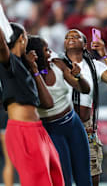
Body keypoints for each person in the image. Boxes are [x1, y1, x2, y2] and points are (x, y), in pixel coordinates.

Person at [0, 0, 64, 186]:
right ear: (22, 38)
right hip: (22, 130)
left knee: (56, 179)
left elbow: (46, 103)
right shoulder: (7, 63)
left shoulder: (24, 65)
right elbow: (0, 48)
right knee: (37, 182)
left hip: (38, 130)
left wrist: (34, 69)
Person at [26, 35, 93, 186]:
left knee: (84, 179)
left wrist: (79, 76)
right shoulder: (30, 78)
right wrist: (35, 72)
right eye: (45, 50)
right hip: (52, 130)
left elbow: (84, 89)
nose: (50, 52)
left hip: (73, 124)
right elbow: (46, 103)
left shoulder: (58, 64)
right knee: (63, 181)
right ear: (35, 54)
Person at [64, 29, 107, 186]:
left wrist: (105, 55)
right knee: (63, 176)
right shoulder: (57, 63)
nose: (70, 38)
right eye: (67, 37)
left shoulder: (94, 66)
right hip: (62, 125)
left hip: (86, 127)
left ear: (85, 45)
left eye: (75, 36)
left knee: (92, 176)